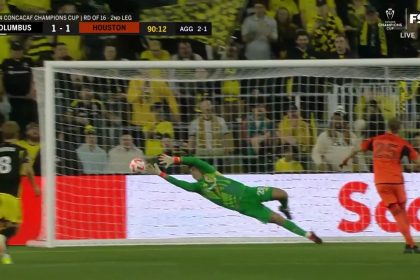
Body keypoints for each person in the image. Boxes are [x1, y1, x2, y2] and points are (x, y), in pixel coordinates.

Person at [145, 154, 323, 244]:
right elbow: (179, 184)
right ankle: (308, 235)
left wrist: (174, 159)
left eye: (192, 169)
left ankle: (284, 206)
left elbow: (196, 160)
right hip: (244, 207)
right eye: (190, 171)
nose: (192, 171)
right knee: (277, 220)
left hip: (250, 192)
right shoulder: (198, 188)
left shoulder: (210, 171)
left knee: (282, 194)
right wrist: (160, 173)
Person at [340, 118, 420, 253]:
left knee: (397, 213)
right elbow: (418, 160)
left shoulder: (375, 140)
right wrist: (409, 165)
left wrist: (346, 159)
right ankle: (410, 244)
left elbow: (358, 149)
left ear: (387, 127)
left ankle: (410, 244)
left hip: (382, 183)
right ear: (399, 129)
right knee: (402, 212)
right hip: (398, 182)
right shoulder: (403, 143)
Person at [0, 121, 41, 264]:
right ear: (17, 134)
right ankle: (2, 241)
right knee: (14, 228)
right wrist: (35, 186)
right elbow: (28, 170)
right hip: (11, 194)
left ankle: (5, 255)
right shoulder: (21, 150)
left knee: (1, 226)